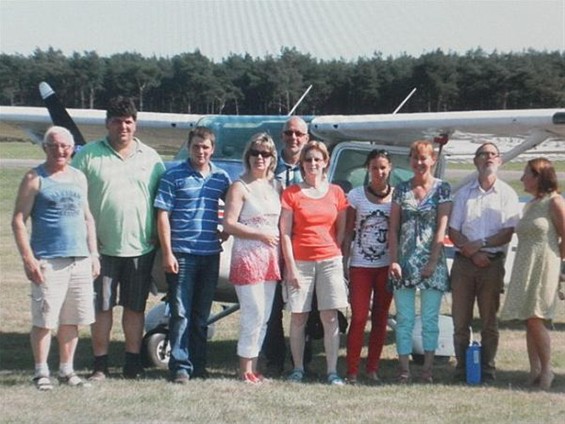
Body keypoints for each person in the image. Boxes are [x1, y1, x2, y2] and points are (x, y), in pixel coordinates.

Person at [72, 97, 165, 380]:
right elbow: (73, 199)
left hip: (140, 248)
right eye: (116, 121)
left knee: (135, 309)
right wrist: (86, 242)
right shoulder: (87, 155)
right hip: (100, 250)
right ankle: (100, 364)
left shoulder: (151, 159)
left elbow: (162, 203)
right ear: (107, 123)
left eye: (128, 122)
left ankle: (132, 362)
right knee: (102, 309)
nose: (123, 127)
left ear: (135, 124)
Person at [12, 126, 99, 390]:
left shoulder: (79, 177)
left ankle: (67, 370)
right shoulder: (34, 178)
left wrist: (94, 254)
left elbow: (87, 218)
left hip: (79, 260)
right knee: (45, 319)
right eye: (54, 146)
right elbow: (18, 220)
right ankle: (41, 372)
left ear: (72, 148)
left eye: (65, 146)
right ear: (45, 148)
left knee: (72, 319)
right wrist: (29, 259)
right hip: (48, 260)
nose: (60, 151)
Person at [154, 126, 231, 384]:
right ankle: (180, 366)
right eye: (197, 146)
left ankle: (199, 364)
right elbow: (162, 214)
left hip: (210, 254)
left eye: (206, 147)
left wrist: (227, 232)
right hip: (182, 254)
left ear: (213, 149)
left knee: (201, 315)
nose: (201, 151)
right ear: (189, 147)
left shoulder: (220, 178)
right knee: (181, 312)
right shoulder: (173, 175)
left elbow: (234, 208)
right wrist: (167, 252)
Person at [449, 142, 520, 382]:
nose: (488, 158)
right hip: (464, 265)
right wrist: (471, 253)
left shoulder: (508, 194)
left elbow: (508, 231)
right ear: (475, 161)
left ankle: (487, 369)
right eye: (483, 154)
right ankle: (462, 369)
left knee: (489, 322)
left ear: (499, 160)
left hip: (492, 264)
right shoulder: (464, 194)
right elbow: (454, 232)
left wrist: (480, 244)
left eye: (492, 154)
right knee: (460, 321)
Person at [280, 140, 349, 385]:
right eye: (308, 160)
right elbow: (285, 232)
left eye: (317, 160)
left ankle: (332, 371)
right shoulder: (291, 193)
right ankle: (298, 368)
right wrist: (290, 267)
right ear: (302, 164)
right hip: (300, 261)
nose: (312, 164)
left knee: (330, 316)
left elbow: (341, 229)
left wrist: (332, 250)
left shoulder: (336, 193)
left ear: (325, 162)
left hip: (329, 260)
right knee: (298, 316)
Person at [388, 140, 451, 384]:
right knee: (404, 318)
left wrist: (433, 261)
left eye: (424, 158)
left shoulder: (442, 189)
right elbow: (393, 228)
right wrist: (393, 260)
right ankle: (404, 368)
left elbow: (441, 227)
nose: (419, 163)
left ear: (433, 160)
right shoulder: (401, 190)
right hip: (403, 262)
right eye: (415, 158)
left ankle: (427, 369)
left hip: (431, 262)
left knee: (429, 318)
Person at [500, 158, 564, 390]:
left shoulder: (554, 202)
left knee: (537, 317)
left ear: (538, 176)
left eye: (526, 174)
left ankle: (547, 369)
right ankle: (534, 369)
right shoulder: (531, 204)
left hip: (545, 263)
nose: (522, 179)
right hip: (525, 263)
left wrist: (559, 266)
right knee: (529, 317)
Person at [223, 133, 282, 384]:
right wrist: (260, 234)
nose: (260, 158)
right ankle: (243, 367)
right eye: (255, 153)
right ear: (248, 156)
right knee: (253, 312)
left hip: (270, 258)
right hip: (248, 256)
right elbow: (229, 224)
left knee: (266, 315)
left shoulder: (275, 186)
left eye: (265, 154)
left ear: (272, 159)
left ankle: (254, 367)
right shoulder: (240, 187)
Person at [262, 116, 309, 375]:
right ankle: (275, 359)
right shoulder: (268, 165)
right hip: (272, 244)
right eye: (289, 133)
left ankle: (303, 360)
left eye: (299, 134)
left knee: (304, 305)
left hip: (304, 245)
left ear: (306, 138)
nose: (293, 138)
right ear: (282, 136)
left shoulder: (314, 166)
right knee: (272, 306)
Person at [342, 149, 394, 384]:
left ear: (390, 168)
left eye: (383, 167)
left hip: (386, 266)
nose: (379, 172)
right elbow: (348, 232)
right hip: (360, 265)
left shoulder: (397, 197)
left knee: (381, 318)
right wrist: (344, 260)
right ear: (367, 169)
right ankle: (352, 370)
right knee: (360, 316)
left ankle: (372, 368)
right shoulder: (355, 195)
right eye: (374, 167)